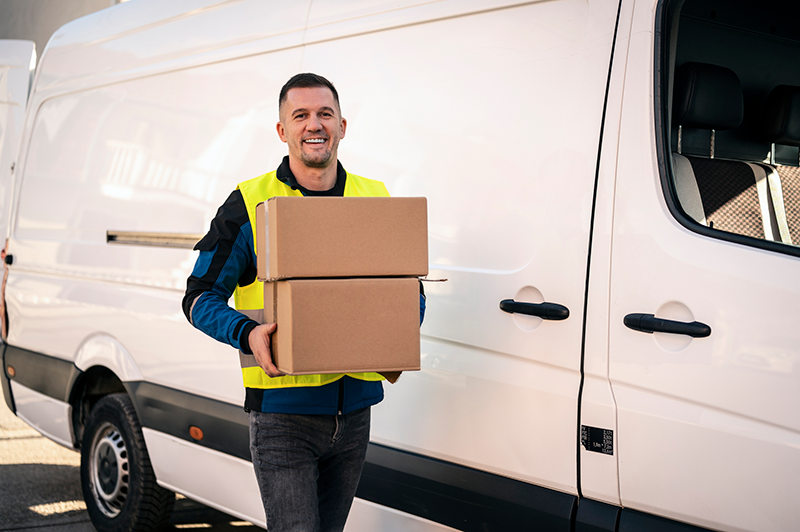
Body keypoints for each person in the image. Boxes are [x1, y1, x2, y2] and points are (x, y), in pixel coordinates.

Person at [182, 73, 425, 532]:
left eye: (324, 114)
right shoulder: (250, 203)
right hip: (283, 419)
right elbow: (197, 297)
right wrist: (247, 332)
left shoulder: (375, 197)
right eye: (301, 115)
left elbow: (408, 288)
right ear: (282, 130)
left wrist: (399, 328)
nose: (314, 125)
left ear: (342, 125)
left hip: (355, 417)